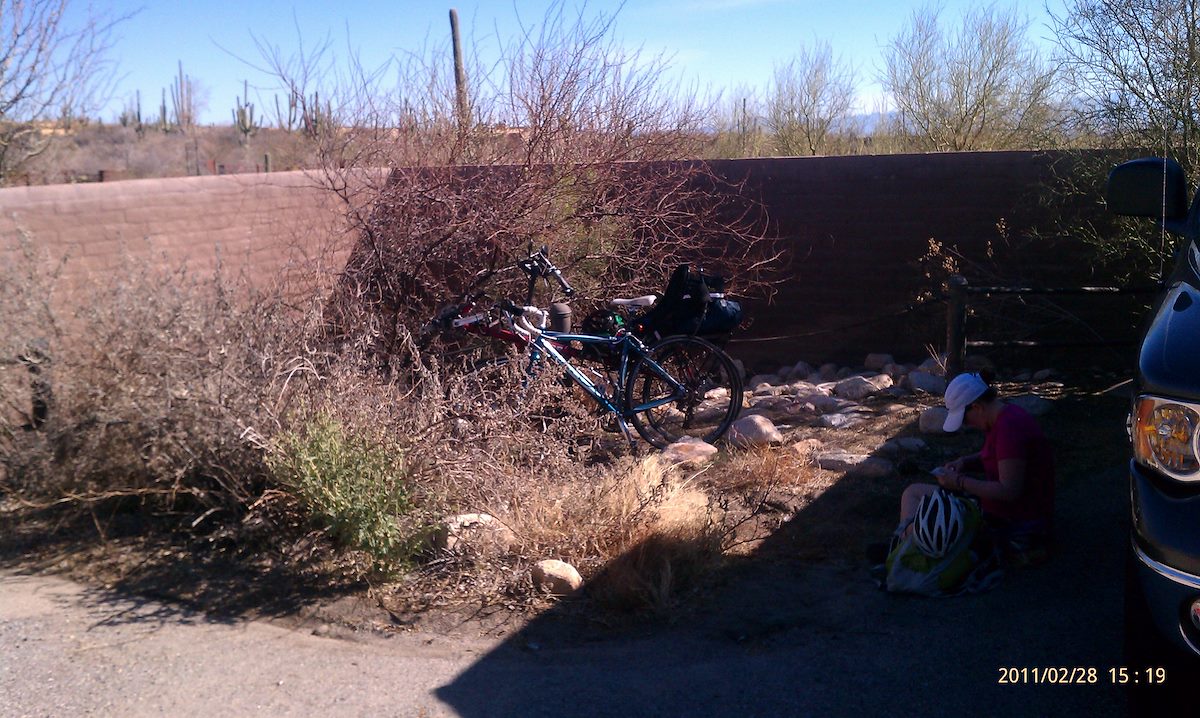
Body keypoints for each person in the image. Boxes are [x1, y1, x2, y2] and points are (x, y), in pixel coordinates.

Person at [898, 371, 1055, 566]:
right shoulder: (1005, 417)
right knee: (913, 493)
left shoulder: (1010, 428)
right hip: (1005, 511)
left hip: (1012, 520)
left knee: (914, 496)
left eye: (964, 419)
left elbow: (1009, 491)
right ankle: (909, 546)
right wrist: (965, 462)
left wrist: (959, 482)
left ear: (977, 407)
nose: (967, 425)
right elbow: (1000, 456)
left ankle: (907, 552)